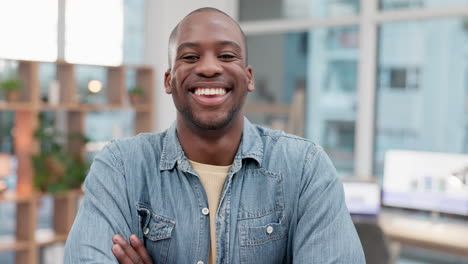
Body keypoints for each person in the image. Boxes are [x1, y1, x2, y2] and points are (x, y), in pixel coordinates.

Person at [64, 7, 365, 264]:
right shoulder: (122, 167)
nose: (209, 67)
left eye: (226, 55)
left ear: (248, 78)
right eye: (191, 57)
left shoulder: (305, 168)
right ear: (169, 80)